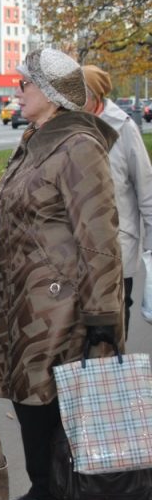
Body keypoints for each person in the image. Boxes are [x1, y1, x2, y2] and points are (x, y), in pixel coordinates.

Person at [0, 49, 123, 500]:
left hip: (65, 307)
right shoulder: (36, 140)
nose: (18, 91)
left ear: (49, 93)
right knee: (33, 405)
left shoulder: (78, 146)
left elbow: (101, 238)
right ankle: (47, 491)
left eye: (25, 83)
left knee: (68, 409)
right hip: (26, 301)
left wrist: (102, 317)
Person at [82, 65, 152, 338]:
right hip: (78, 251)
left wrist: (150, 249)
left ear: (94, 96)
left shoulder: (123, 127)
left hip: (117, 246)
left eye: (80, 93)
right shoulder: (70, 125)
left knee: (114, 324)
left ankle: (115, 377)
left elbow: (146, 190)